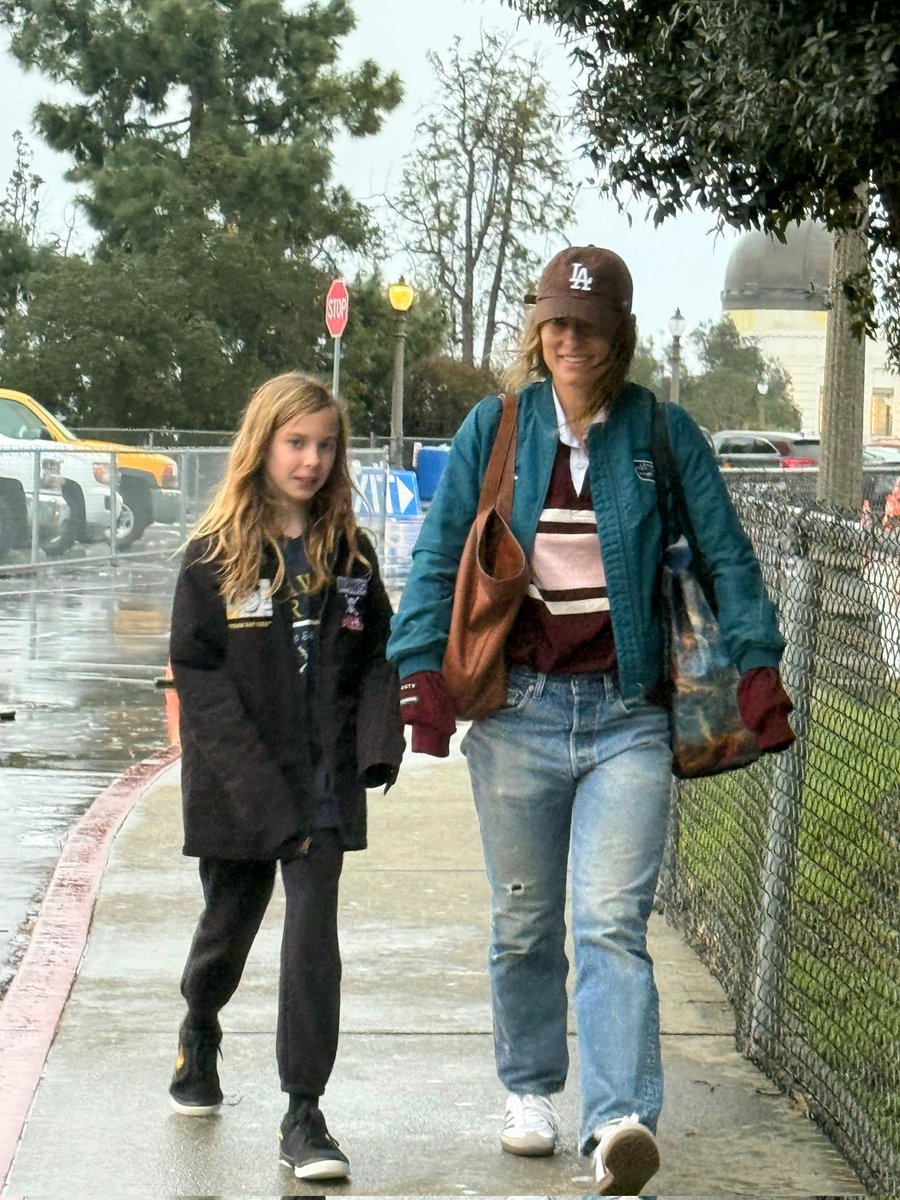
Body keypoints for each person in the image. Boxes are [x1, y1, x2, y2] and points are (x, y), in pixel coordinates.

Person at [387, 246, 794, 1194]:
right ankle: (530, 1088)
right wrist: (419, 672)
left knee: (611, 922)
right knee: (525, 923)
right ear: (538, 330)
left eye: (590, 326)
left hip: (627, 716)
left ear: (619, 335)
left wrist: (758, 664)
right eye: (557, 324)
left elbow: (727, 555)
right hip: (518, 714)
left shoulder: (661, 433)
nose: (571, 340)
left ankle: (617, 1123)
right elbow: (440, 555)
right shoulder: (498, 428)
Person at [168, 371, 403, 1181]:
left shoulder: (350, 553)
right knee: (227, 929)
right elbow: (200, 679)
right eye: (296, 443)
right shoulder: (213, 556)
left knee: (312, 939)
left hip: (323, 780)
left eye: (325, 445)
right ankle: (199, 1025)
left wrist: (378, 742)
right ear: (261, 445)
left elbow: (379, 652)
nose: (311, 461)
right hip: (241, 782)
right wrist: (262, 796)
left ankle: (304, 1113)